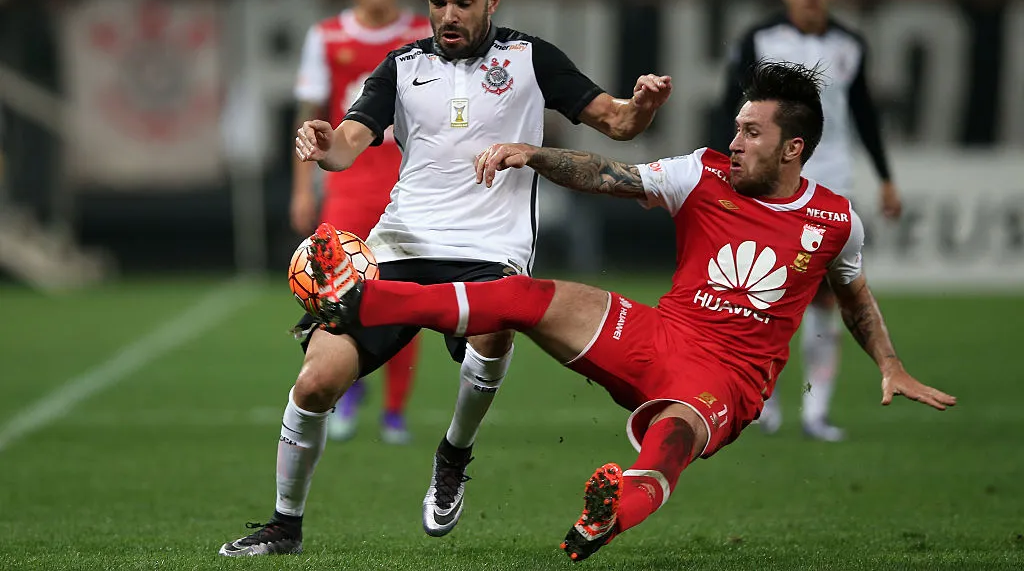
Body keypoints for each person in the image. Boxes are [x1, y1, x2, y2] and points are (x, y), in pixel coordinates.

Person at [306, 60, 956, 563]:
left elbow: (855, 297)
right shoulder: (701, 174)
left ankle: (612, 510)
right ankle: (364, 295)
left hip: (727, 379)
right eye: (736, 126)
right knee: (527, 296)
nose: (734, 141)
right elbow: (608, 174)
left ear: (792, 149)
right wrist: (533, 155)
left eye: (751, 132)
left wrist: (890, 363)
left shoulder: (835, 220)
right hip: (658, 334)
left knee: (668, 441)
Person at [219, 0, 672, 556]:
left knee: (495, 325)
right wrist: (325, 146)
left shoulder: (531, 59)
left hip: (492, 248)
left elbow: (617, 122)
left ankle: (454, 452)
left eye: (464, 1)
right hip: (400, 245)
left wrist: (642, 106)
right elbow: (351, 141)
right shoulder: (403, 67)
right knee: (316, 381)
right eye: (438, 1)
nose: (449, 15)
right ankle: (283, 525)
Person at [716, 0, 903, 442]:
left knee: (826, 297)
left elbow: (864, 114)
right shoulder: (760, 39)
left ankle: (815, 411)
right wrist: (726, 165)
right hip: (768, 182)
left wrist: (885, 177)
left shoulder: (850, 44)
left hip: (832, 183)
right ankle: (765, 406)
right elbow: (729, 107)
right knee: (761, 292)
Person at [291, 0, 432, 446]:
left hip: (410, 185)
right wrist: (302, 187)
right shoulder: (326, 36)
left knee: (406, 297)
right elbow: (307, 116)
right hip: (347, 185)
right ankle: (348, 389)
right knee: (340, 292)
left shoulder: (424, 33)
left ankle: (395, 410)